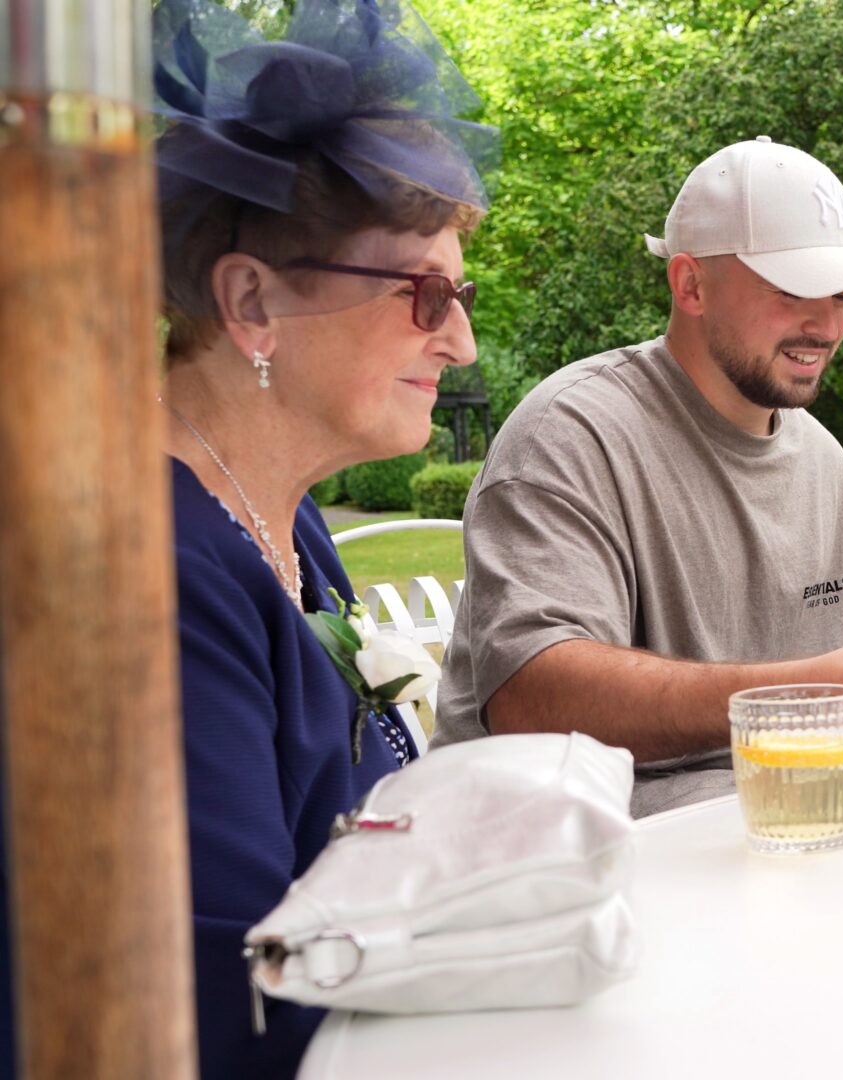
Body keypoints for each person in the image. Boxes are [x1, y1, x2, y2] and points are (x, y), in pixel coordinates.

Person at [0, 1, 494, 1076]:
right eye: (423, 294)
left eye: (458, 295)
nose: (459, 339)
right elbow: (232, 997)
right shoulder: (146, 575)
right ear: (251, 304)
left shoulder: (280, 513)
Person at [432, 138, 843, 814]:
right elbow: (531, 695)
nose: (827, 324)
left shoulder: (823, 463)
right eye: (794, 290)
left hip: (773, 853)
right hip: (564, 876)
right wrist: (796, 699)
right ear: (689, 284)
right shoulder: (572, 433)